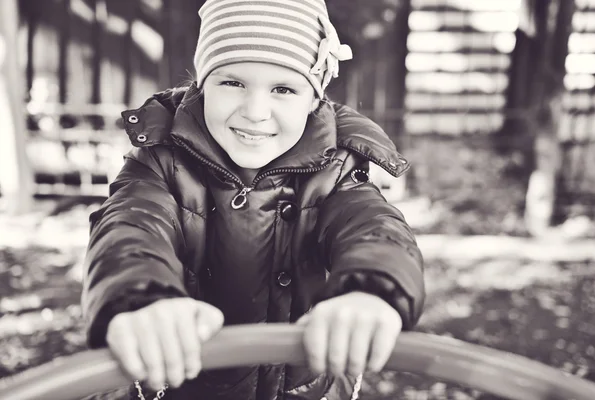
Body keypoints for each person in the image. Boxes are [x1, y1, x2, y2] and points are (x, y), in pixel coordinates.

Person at [81, 0, 425, 399]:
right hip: (179, 382)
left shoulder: (335, 169)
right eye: (233, 83)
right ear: (201, 84)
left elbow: (374, 228)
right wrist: (140, 297)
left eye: (283, 89)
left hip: (298, 386)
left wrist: (372, 289)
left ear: (314, 99)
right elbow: (130, 227)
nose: (256, 111)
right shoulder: (159, 159)